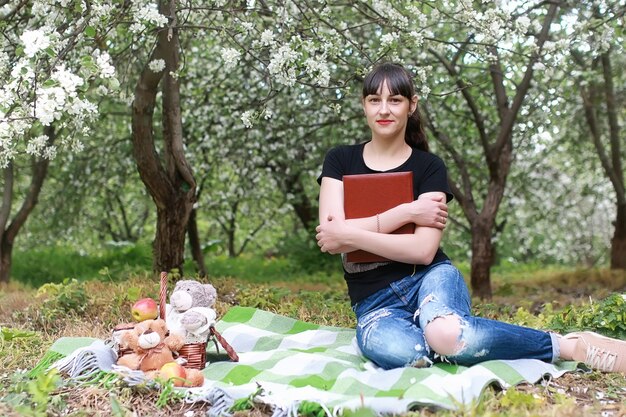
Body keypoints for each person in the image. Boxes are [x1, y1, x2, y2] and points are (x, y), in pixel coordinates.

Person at [315, 62, 626, 373]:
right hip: (375, 303)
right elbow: (330, 238)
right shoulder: (341, 160)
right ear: (364, 105)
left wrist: (349, 234)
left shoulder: (429, 167)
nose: (384, 109)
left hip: (430, 278)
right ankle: (442, 336)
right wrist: (406, 212)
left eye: (395, 100)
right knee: (412, 356)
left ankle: (568, 346)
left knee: (445, 335)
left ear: (412, 105)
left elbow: (422, 251)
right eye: (375, 100)